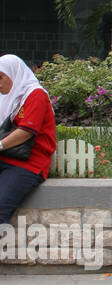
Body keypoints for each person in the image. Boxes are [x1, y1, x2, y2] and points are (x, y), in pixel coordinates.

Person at [0, 55, 57, 231]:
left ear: (13, 73)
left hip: (28, 164)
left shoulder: (35, 95)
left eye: (0, 77)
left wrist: (0, 145)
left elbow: (26, 131)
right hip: (6, 158)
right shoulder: (7, 97)